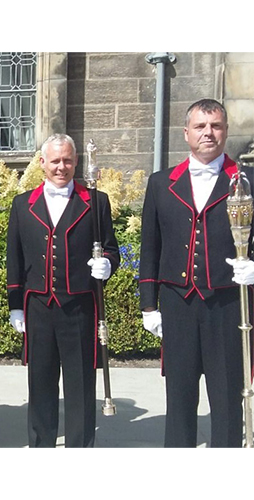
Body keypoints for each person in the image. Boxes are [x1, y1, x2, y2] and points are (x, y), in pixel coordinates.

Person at [140, 98, 254, 447]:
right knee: (179, 400)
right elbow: (150, 246)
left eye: (216, 126)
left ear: (226, 132)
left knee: (227, 402)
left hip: (228, 305)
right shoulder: (161, 183)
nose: (209, 133)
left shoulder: (247, 180)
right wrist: (148, 305)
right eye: (201, 126)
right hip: (178, 304)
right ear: (186, 132)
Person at [6, 133, 120, 447]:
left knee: (80, 384)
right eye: (55, 160)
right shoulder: (22, 204)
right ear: (42, 163)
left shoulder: (96, 201)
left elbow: (111, 248)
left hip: (80, 306)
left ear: (76, 161)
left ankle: (79, 448)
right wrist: (15, 304)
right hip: (38, 307)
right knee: (40, 383)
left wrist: (107, 265)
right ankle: (41, 443)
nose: (61, 167)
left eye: (67, 160)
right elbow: (14, 258)